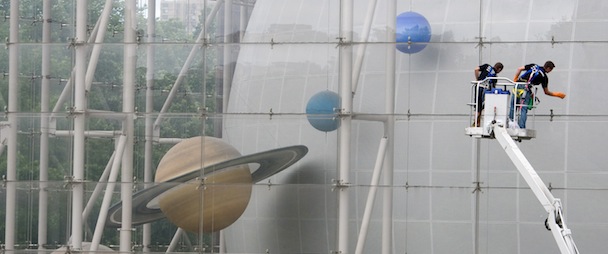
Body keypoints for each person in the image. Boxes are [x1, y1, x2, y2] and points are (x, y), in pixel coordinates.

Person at [509, 61, 566, 128]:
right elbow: (546, 92)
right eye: (551, 70)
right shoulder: (543, 76)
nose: (550, 71)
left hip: (517, 86)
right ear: (548, 68)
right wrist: (558, 95)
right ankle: (522, 127)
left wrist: (515, 80)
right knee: (523, 109)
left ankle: (510, 123)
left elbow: (519, 69)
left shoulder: (534, 66)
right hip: (525, 89)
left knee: (513, 106)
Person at [473, 62, 504, 127]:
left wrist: (477, 80)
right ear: (499, 69)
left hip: (478, 87)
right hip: (485, 91)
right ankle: (481, 123)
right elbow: (493, 87)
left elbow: (476, 69)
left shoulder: (487, 66)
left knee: (477, 106)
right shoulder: (494, 76)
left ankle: (476, 123)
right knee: (483, 107)